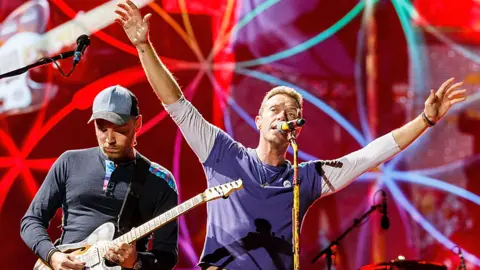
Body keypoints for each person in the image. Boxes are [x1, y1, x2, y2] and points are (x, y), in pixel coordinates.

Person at [115, 1, 468, 269]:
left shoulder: (306, 177)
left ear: (297, 127)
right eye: (275, 109)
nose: (283, 115)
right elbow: (176, 104)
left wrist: (425, 119)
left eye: (292, 113)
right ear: (257, 120)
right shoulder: (222, 153)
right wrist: (144, 46)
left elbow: (371, 155)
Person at [20, 85, 179, 270]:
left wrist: (135, 262)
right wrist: (53, 256)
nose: (109, 139)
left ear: (138, 123)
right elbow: (31, 221)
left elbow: (167, 256)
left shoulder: (160, 181)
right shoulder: (69, 162)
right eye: (102, 129)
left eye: (119, 129)